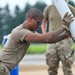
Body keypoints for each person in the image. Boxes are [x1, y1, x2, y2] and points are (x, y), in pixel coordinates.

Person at [0, 8, 74, 75]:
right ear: (30, 18)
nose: (39, 26)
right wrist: (63, 27)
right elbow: (47, 38)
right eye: (39, 23)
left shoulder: (30, 32)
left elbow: (50, 40)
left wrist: (66, 34)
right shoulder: (20, 32)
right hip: (2, 67)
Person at [41, 0, 75, 75]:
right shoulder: (49, 8)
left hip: (65, 41)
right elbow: (43, 21)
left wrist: (71, 33)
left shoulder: (69, 9)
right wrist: (44, 34)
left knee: (67, 68)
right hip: (52, 41)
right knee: (51, 68)